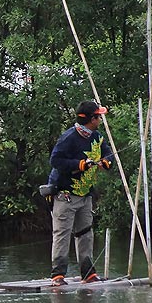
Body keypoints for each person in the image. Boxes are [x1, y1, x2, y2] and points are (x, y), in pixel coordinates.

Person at [47, 100, 114, 286]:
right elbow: (55, 160)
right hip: (65, 195)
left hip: (85, 195)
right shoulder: (68, 137)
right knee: (62, 234)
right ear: (91, 118)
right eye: (98, 116)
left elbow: (107, 152)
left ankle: (88, 274)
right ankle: (57, 276)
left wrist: (107, 162)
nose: (100, 119)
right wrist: (80, 165)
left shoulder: (97, 136)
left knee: (85, 233)